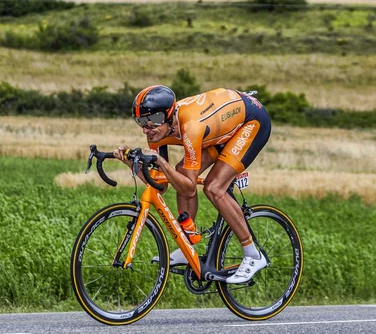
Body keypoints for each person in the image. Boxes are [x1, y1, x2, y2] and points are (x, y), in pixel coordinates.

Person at [113, 85, 271, 284]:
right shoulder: (156, 131)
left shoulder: (191, 127)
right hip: (218, 130)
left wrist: (161, 161)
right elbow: (159, 184)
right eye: (141, 121)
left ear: (168, 116)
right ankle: (187, 245)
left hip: (250, 122)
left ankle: (253, 255)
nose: (147, 128)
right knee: (180, 172)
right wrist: (129, 162)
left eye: (152, 121)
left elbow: (188, 188)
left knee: (214, 188)